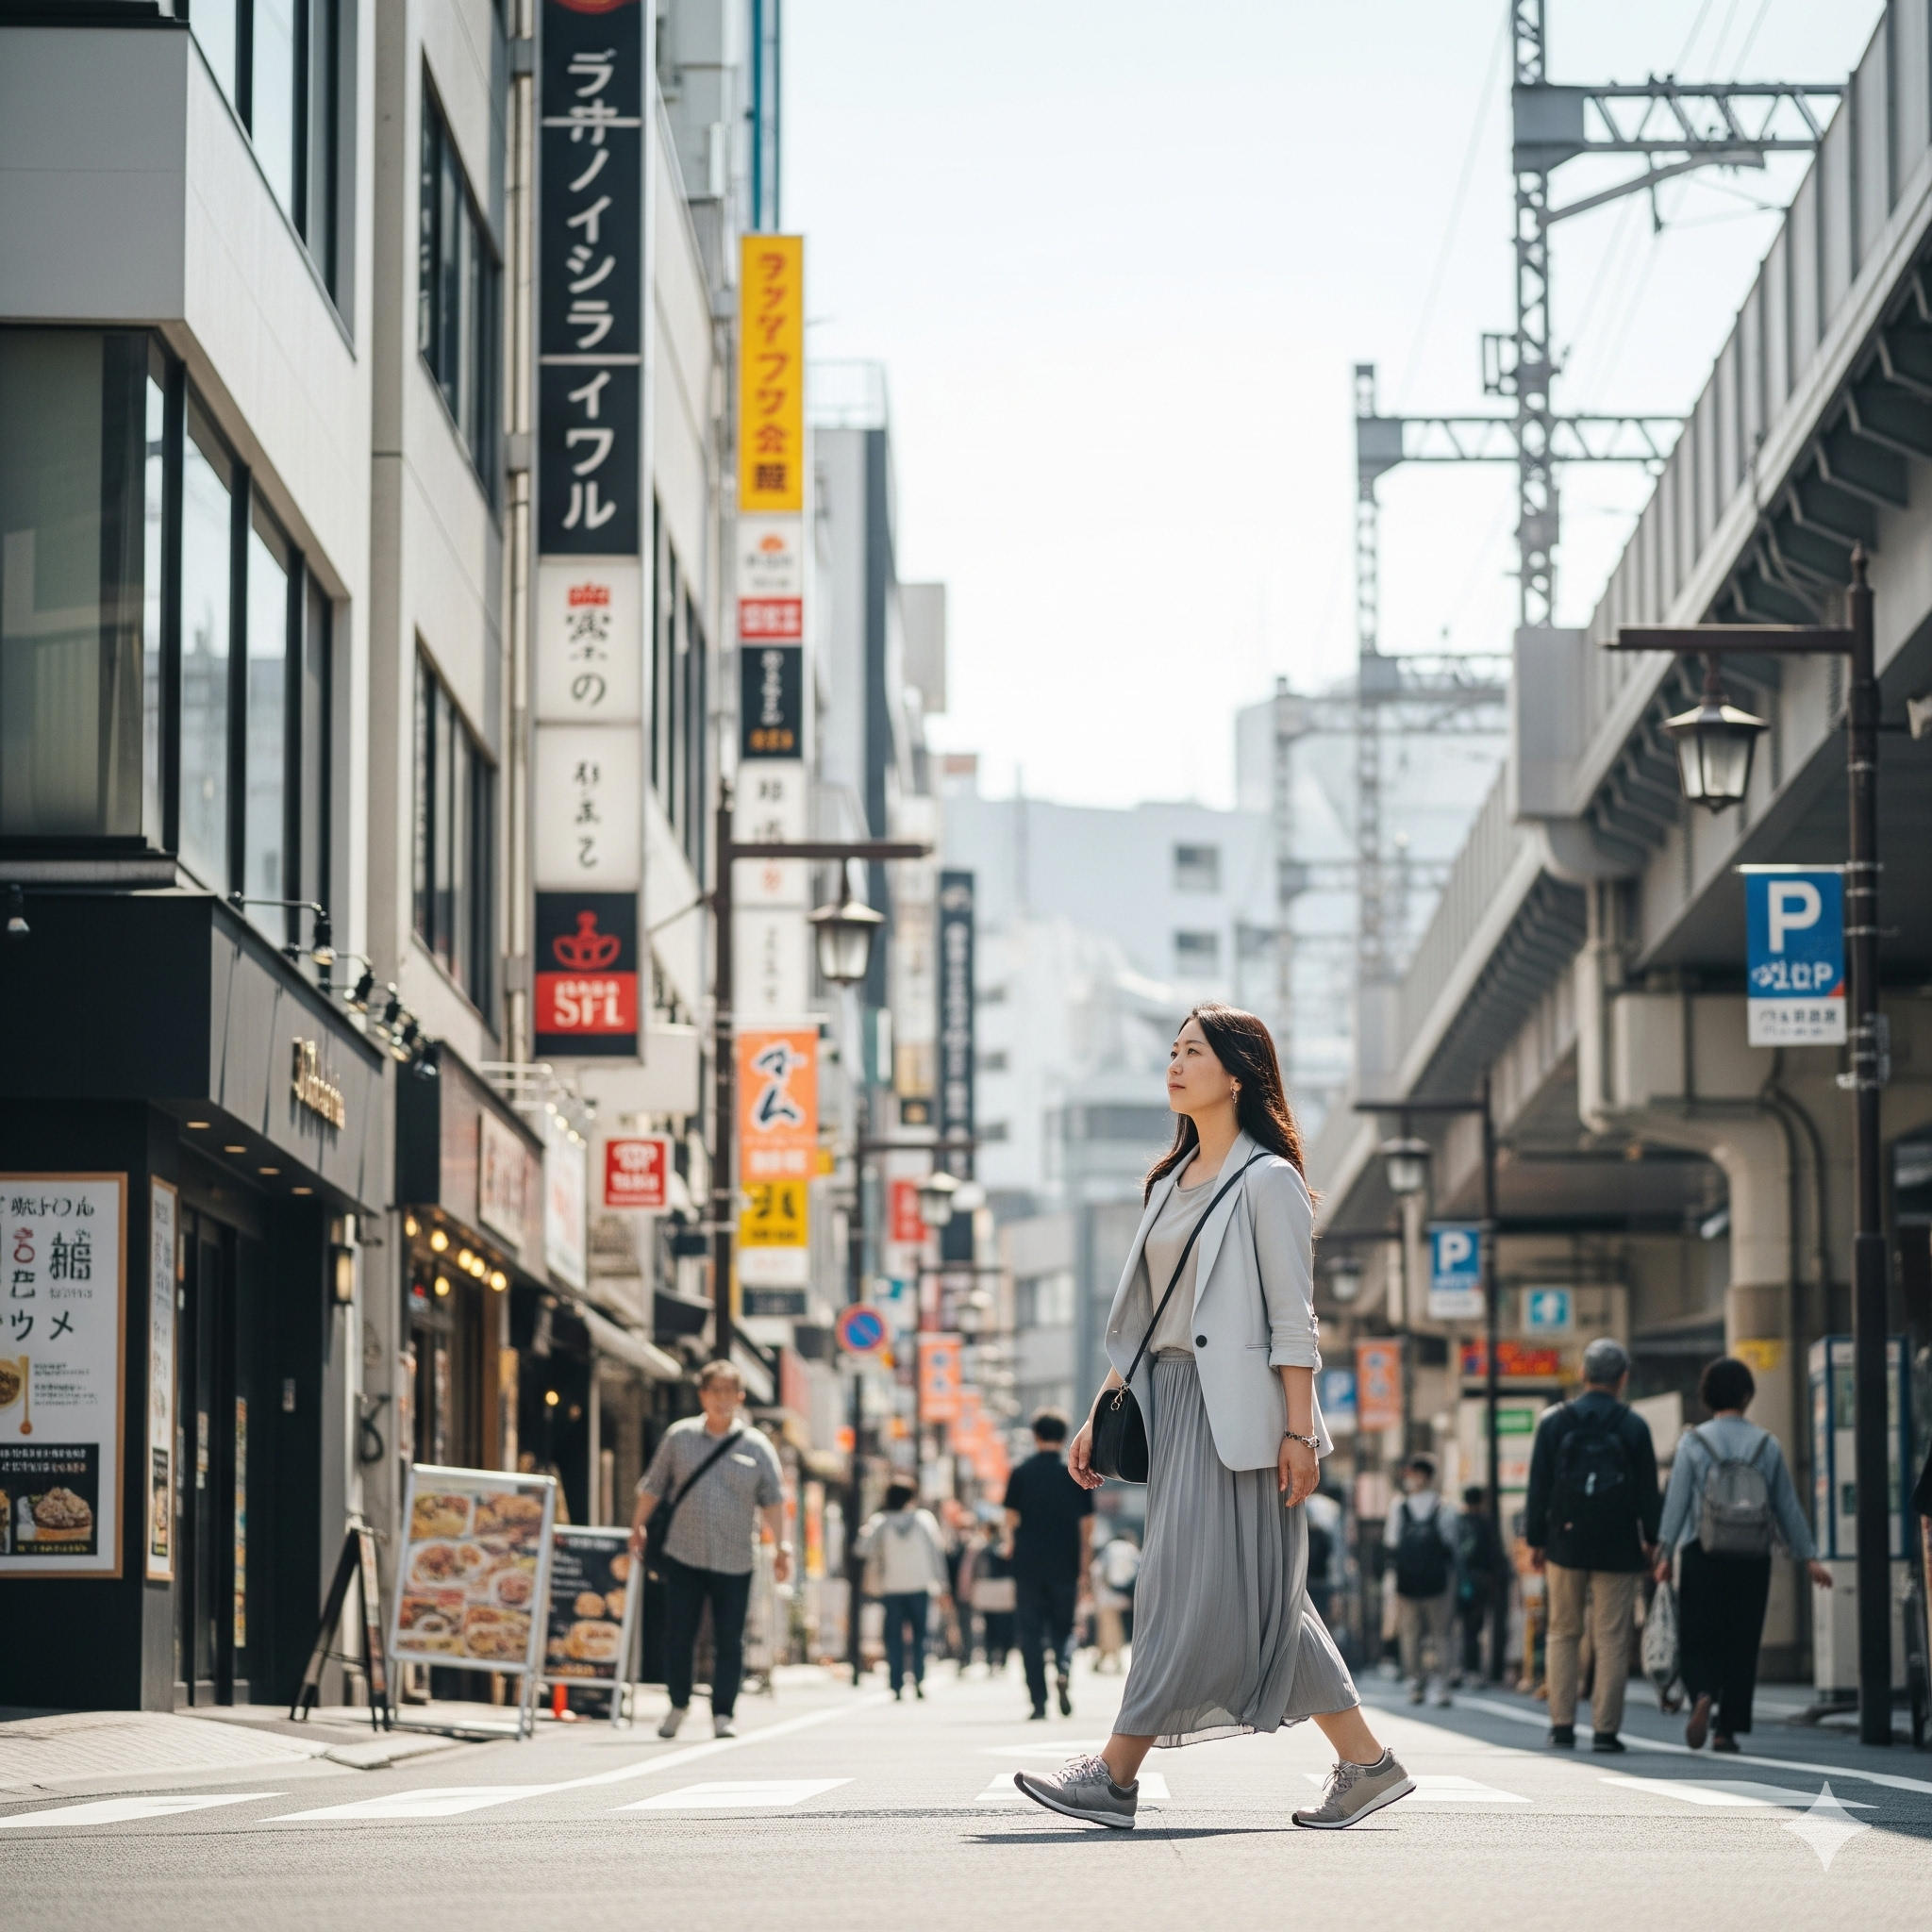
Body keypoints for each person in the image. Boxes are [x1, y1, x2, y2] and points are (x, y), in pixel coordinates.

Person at [1014, 1006, 1410, 1831]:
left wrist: (1300, 1433)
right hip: (1173, 1403)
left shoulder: (1269, 1181)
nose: (1175, 1063)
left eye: (1193, 1051)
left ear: (1238, 1073)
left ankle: (1115, 1777)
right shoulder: (1169, 1179)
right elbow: (1150, 1312)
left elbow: (1292, 1321)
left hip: (1246, 1418)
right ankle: (1368, 1762)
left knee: (1177, 1591)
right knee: (1262, 1598)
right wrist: (1104, 1404)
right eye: (1172, 1050)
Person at [1655, 1355, 1831, 1752]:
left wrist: (1664, 1553)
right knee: (1742, 1639)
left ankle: (1702, 1694)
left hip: (1702, 1551)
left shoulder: (1693, 1442)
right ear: (1748, 1396)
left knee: (1698, 1634)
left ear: (1706, 1396)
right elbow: (1786, 1505)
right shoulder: (1766, 1444)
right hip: (1753, 1555)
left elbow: (1677, 1502)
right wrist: (1809, 1557)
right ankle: (1726, 1729)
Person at [630, 1361, 790, 1740]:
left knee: (729, 1639)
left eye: (728, 1391)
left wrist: (782, 1546)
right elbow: (654, 1485)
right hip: (683, 1552)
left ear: (740, 1397)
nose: (721, 1399)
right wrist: (636, 1525)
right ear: (702, 1394)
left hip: (735, 1557)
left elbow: (773, 1501)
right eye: (714, 1390)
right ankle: (678, 1704)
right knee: (678, 1634)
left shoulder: (756, 1445)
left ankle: (723, 1713)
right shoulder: (679, 1437)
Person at [1524, 1336, 1660, 1753]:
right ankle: (1605, 1731)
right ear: (1623, 1379)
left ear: (1583, 1374)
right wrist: (1652, 1540)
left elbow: (1539, 1486)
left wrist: (1536, 1539)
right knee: (1612, 1638)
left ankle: (1562, 1725)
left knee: (1563, 1632)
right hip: (1619, 1545)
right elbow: (1647, 1492)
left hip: (1565, 1542)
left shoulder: (1554, 1421)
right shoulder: (1633, 1426)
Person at [1004, 1410, 1094, 1718]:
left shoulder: (1021, 1472)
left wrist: (1014, 1546)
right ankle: (1064, 1668)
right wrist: (1085, 1567)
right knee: (1064, 1628)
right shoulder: (1074, 1473)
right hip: (1065, 1564)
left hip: (1028, 1565)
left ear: (1035, 1436)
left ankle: (1039, 1702)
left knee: (1030, 1633)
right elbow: (1087, 1527)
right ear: (1063, 1436)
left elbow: (1011, 1519)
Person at [857, 1479, 950, 1700]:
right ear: (911, 1497)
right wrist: (943, 1585)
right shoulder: (924, 1520)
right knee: (920, 1636)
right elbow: (936, 1554)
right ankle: (918, 1679)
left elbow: (862, 1549)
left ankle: (896, 1684)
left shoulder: (880, 1522)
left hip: (892, 1587)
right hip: (920, 1586)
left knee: (894, 1638)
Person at [1387, 1454, 1459, 1707]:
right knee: (1442, 1634)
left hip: (1407, 1580)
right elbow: (1451, 1541)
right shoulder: (1443, 1506)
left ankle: (1416, 1685)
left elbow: (1392, 1541)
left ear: (1422, 1475)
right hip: (1438, 1579)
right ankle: (1443, 1687)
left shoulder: (1399, 1506)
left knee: (1410, 1634)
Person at [1454, 1483, 1507, 1685]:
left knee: (1461, 1626)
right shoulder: (1486, 1524)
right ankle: (1473, 1670)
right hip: (1481, 1580)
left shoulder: (1458, 1523)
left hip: (1459, 1580)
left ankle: (1461, 1668)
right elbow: (1495, 1554)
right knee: (1475, 1626)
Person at [1090, 1529, 1141, 1673]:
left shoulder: (1109, 1548)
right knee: (1116, 1628)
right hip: (1122, 1595)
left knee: (1106, 1628)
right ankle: (1112, 1661)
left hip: (1105, 1595)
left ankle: (1104, 1661)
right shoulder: (1130, 1549)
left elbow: (1097, 1570)